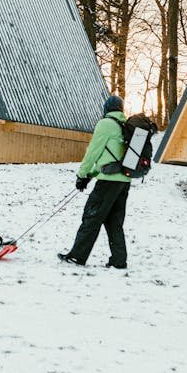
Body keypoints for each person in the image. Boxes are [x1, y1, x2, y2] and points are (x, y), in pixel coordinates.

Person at [57, 95, 131, 269]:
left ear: (106, 108)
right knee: (114, 221)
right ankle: (119, 260)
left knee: (91, 217)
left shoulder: (105, 124)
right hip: (123, 181)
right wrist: (91, 175)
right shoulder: (124, 126)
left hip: (107, 182)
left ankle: (77, 257)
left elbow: (93, 152)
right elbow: (111, 157)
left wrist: (82, 174)